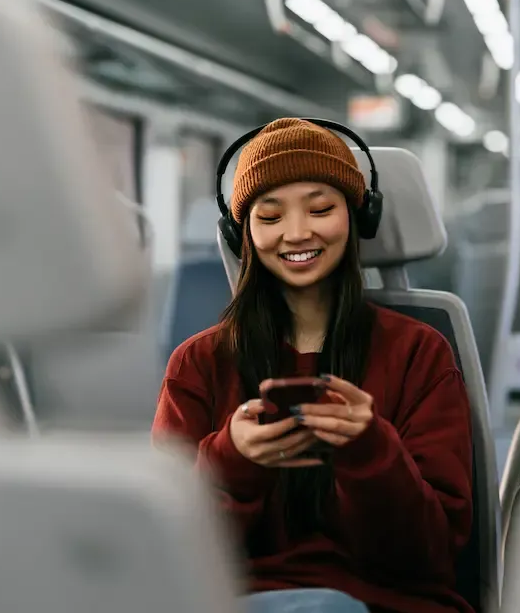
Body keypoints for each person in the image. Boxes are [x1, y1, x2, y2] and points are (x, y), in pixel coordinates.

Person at [152, 118, 475, 613]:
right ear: (242, 235)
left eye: (321, 209)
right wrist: (232, 463)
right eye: (270, 216)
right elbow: (166, 550)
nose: (297, 233)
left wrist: (371, 453)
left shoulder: (419, 353)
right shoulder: (198, 364)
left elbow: (432, 555)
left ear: (357, 217)